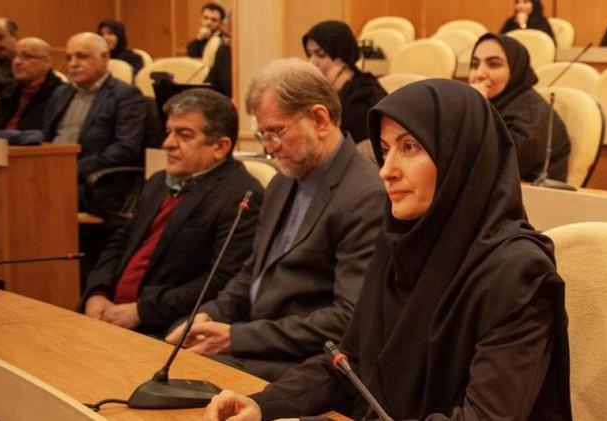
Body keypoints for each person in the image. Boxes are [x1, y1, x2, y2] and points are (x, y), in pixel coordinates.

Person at [203, 79, 572, 421]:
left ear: (459, 154)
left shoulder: (517, 271)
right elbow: (349, 365)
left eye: (409, 147)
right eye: (384, 150)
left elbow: (486, 418)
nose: (386, 170)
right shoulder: (400, 243)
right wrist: (263, 403)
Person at [165, 58, 384, 381]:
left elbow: (347, 318)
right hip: (254, 343)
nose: (269, 148)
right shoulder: (283, 180)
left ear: (319, 119)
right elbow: (253, 272)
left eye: (276, 133)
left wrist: (236, 338)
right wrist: (210, 315)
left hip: (304, 367)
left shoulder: (365, 196)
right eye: (262, 135)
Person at [79, 88, 263, 337]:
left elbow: (220, 281)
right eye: (168, 132)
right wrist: (97, 292)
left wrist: (141, 311)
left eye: (184, 135)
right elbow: (121, 242)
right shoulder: (158, 182)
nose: (167, 144)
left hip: (160, 326)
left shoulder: (242, 196)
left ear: (220, 147)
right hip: (106, 312)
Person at [42, 32, 146, 213]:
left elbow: (125, 148)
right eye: (68, 58)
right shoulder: (61, 93)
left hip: (95, 182)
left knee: (36, 197)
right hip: (52, 173)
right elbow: (46, 137)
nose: (73, 64)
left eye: (81, 57)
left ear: (104, 57)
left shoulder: (126, 96)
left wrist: (75, 169)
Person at [469, 33, 570, 182]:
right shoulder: (494, 105)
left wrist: (477, 110)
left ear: (516, 69)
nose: (479, 74)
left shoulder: (533, 112)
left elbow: (498, 165)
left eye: (494, 64)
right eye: (474, 65)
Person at [302, 20, 386, 145]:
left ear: (342, 57)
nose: (312, 63)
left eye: (321, 55)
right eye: (309, 55)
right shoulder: (317, 92)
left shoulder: (366, 98)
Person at [0, 37, 63, 135]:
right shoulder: (10, 91)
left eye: (26, 57)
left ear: (47, 63)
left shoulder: (60, 94)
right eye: (14, 56)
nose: (17, 62)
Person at [186, 2, 232, 97]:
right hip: (198, 81)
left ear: (221, 22)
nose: (209, 22)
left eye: (214, 20)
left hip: (216, 86)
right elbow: (192, 61)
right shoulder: (195, 43)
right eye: (205, 18)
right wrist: (199, 39)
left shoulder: (225, 42)